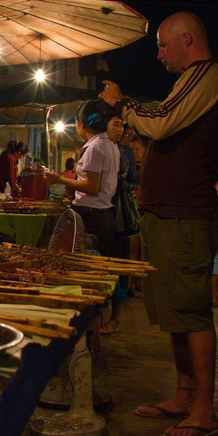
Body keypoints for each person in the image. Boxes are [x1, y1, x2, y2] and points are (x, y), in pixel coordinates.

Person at [100, 11, 218, 436]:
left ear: (187, 40)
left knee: (191, 311)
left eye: (163, 45)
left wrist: (123, 102)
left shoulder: (206, 74)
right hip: (167, 212)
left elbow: (161, 121)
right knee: (175, 311)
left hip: (186, 214)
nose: (158, 54)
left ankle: (204, 411)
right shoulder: (187, 81)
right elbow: (161, 123)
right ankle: (184, 394)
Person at [44, 100, 120, 257]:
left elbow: (92, 186)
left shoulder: (95, 148)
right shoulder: (110, 145)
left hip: (92, 216)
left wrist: (60, 179)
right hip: (103, 214)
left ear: (80, 122)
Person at [101, 119, 138, 335]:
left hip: (118, 214)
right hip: (99, 212)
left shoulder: (126, 151)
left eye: (122, 125)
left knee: (119, 264)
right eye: (115, 124)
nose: (120, 129)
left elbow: (133, 181)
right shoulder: (98, 145)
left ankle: (115, 318)